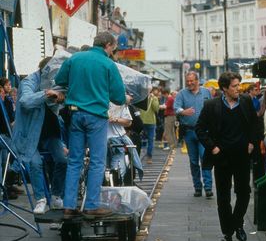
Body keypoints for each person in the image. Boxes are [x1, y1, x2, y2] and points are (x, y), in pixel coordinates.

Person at [55, 32, 129, 218]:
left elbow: (59, 80)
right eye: (113, 48)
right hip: (96, 116)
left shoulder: (76, 58)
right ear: (109, 45)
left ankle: (69, 205)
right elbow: (119, 97)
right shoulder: (108, 64)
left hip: (75, 114)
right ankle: (91, 205)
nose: (114, 51)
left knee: (74, 161)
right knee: (97, 161)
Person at [196, 72, 257, 241]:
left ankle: (237, 224)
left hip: (242, 156)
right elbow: (199, 129)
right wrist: (213, 147)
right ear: (224, 88)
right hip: (221, 156)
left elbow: (254, 124)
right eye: (235, 86)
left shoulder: (245, 101)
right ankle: (227, 232)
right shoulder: (211, 105)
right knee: (223, 197)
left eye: (239, 85)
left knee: (244, 192)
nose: (239, 89)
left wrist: (252, 141)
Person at [12, 57, 68, 214]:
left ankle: (56, 195)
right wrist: (45, 94)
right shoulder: (29, 81)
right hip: (30, 133)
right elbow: (25, 101)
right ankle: (41, 199)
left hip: (50, 130)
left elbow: (58, 102)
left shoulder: (55, 80)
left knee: (63, 160)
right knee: (36, 163)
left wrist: (61, 98)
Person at [174, 71, 213, 197]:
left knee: (205, 158)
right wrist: (183, 111)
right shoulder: (181, 94)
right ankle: (197, 187)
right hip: (189, 132)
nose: (190, 83)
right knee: (194, 161)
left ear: (197, 81)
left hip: (204, 132)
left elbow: (212, 107)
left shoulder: (206, 92)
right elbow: (176, 108)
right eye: (188, 81)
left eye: (192, 81)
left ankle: (208, 187)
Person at [139, 87, 160, 164]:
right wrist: (153, 99)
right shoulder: (153, 98)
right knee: (150, 140)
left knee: (145, 139)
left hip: (144, 121)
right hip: (149, 121)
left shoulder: (141, 97)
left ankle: (146, 156)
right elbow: (156, 109)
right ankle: (148, 157)